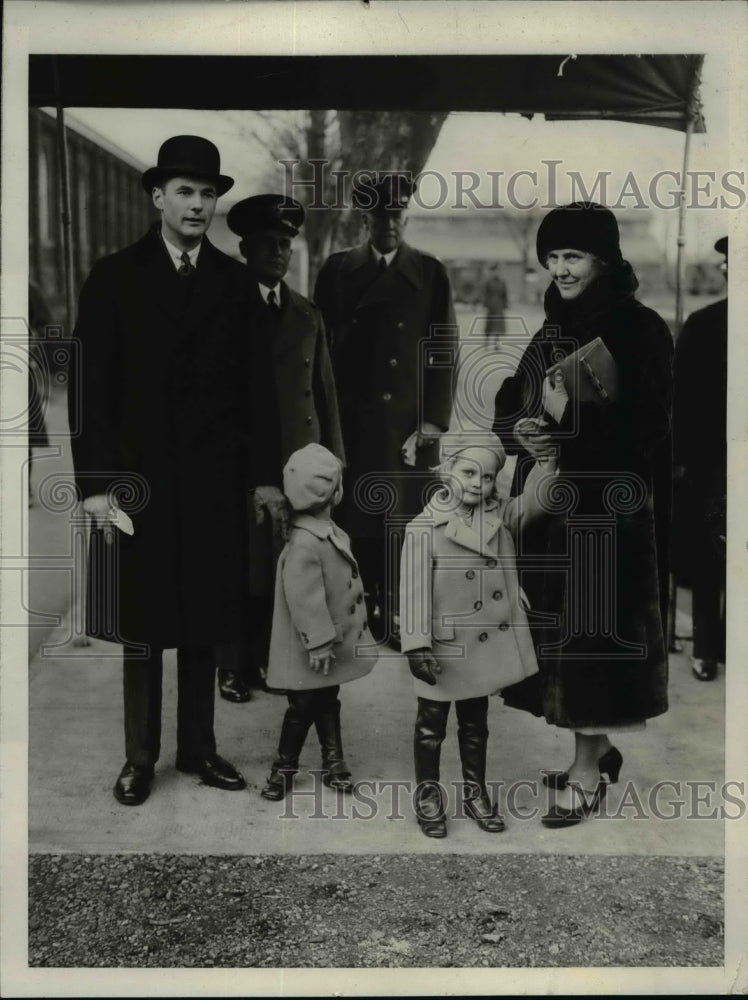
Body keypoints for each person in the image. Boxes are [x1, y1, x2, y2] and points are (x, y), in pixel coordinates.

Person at [69, 135, 248, 806]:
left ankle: (198, 749)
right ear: (157, 197)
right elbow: (89, 391)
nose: (197, 204)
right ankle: (139, 758)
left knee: (203, 619)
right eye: (185, 191)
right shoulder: (115, 275)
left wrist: (255, 479)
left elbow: (251, 391)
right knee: (142, 628)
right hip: (135, 486)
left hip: (210, 485)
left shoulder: (231, 282)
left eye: (207, 193)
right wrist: (95, 488)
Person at [492, 201, 672, 827]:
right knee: (567, 644)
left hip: (608, 517)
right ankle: (595, 751)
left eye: (573, 256)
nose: (561, 268)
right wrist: (524, 430)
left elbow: (650, 429)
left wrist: (568, 428)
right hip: (554, 510)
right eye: (554, 257)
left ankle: (587, 773)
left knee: (592, 642)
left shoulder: (640, 328)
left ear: (603, 259)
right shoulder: (552, 329)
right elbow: (510, 400)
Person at [314, 172, 457, 644]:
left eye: (396, 214)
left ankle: (396, 609)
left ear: (406, 216)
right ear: (365, 218)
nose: (389, 222)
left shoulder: (431, 272)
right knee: (357, 517)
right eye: (379, 214)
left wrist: (433, 422)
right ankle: (364, 604)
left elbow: (442, 349)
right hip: (352, 421)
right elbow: (319, 347)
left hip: (407, 426)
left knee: (404, 521)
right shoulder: (337, 270)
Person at [215, 194, 344, 704]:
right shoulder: (224, 306)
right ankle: (230, 664)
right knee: (236, 566)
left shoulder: (306, 312)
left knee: (284, 564)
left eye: (286, 244)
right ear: (246, 249)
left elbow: (326, 391)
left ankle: (267, 658)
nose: (279, 253)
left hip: (298, 460)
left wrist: (335, 459)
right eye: (268, 244)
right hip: (239, 460)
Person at [400, 432, 549, 838]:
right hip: (441, 647)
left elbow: (512, 546)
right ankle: (428, 796)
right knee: (431, 726)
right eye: (468, 472)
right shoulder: (422, 530)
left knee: (475, 724)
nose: (477, 484)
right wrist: (416, 645)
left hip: (479, 647)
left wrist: (511, 587)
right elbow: (412, 596)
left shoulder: (495, 520)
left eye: (487, 478)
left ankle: (475, 792)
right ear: (446, 469)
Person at [261, 444, 377, 801]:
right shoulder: (305, 545)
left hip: (325, 646)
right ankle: (284, 767)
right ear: (335, 492)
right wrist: (319, 641)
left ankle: (333, 760)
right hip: (309, 648)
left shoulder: (325, 533)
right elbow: (305, 599)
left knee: (328, 699)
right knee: (302, 707)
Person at [672, 236, 727, 681]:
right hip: (715, 462)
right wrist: (681, 460)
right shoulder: (705, 325)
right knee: (712, 554)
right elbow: (681, 400)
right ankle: (707, 648)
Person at [482, 263, 509, 348]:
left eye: (498, 271)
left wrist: (505, 304)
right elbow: (485, 293)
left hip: (499, 306)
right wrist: (486, 303)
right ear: (492, 272)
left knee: (498, 325)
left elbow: (505, 294)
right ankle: (486, 342)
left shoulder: (502, 282)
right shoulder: (488, 282)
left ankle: (497, 344)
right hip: (491, 306)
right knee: (489, 324)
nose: (496, 273)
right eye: (494, 271)